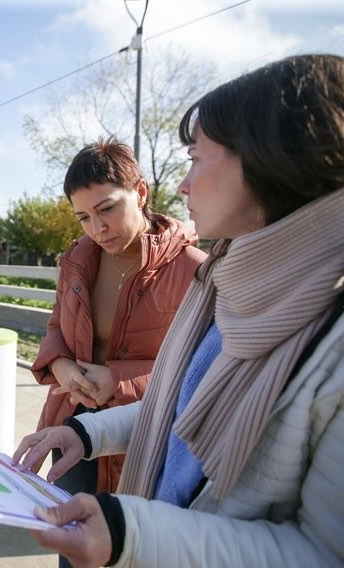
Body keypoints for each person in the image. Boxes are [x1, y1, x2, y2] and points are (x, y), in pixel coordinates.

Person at [12, 54, 344, 567]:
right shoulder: (236, 281)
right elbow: (183, 406)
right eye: (84, 217)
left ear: (270, 160)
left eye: (197, 159)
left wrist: (131, 533)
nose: (183, 185)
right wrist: (88, 432)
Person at [30, 137, 206, 505]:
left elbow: (202, 369)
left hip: (143, 433)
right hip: (71, 421)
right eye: (83, 218)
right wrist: (62, 367)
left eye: (106, 209)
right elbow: (56, 328)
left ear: (140, 192)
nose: (97, 228)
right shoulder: (77, 260)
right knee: (70, 535)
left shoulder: (194, 269)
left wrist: (120, 380)